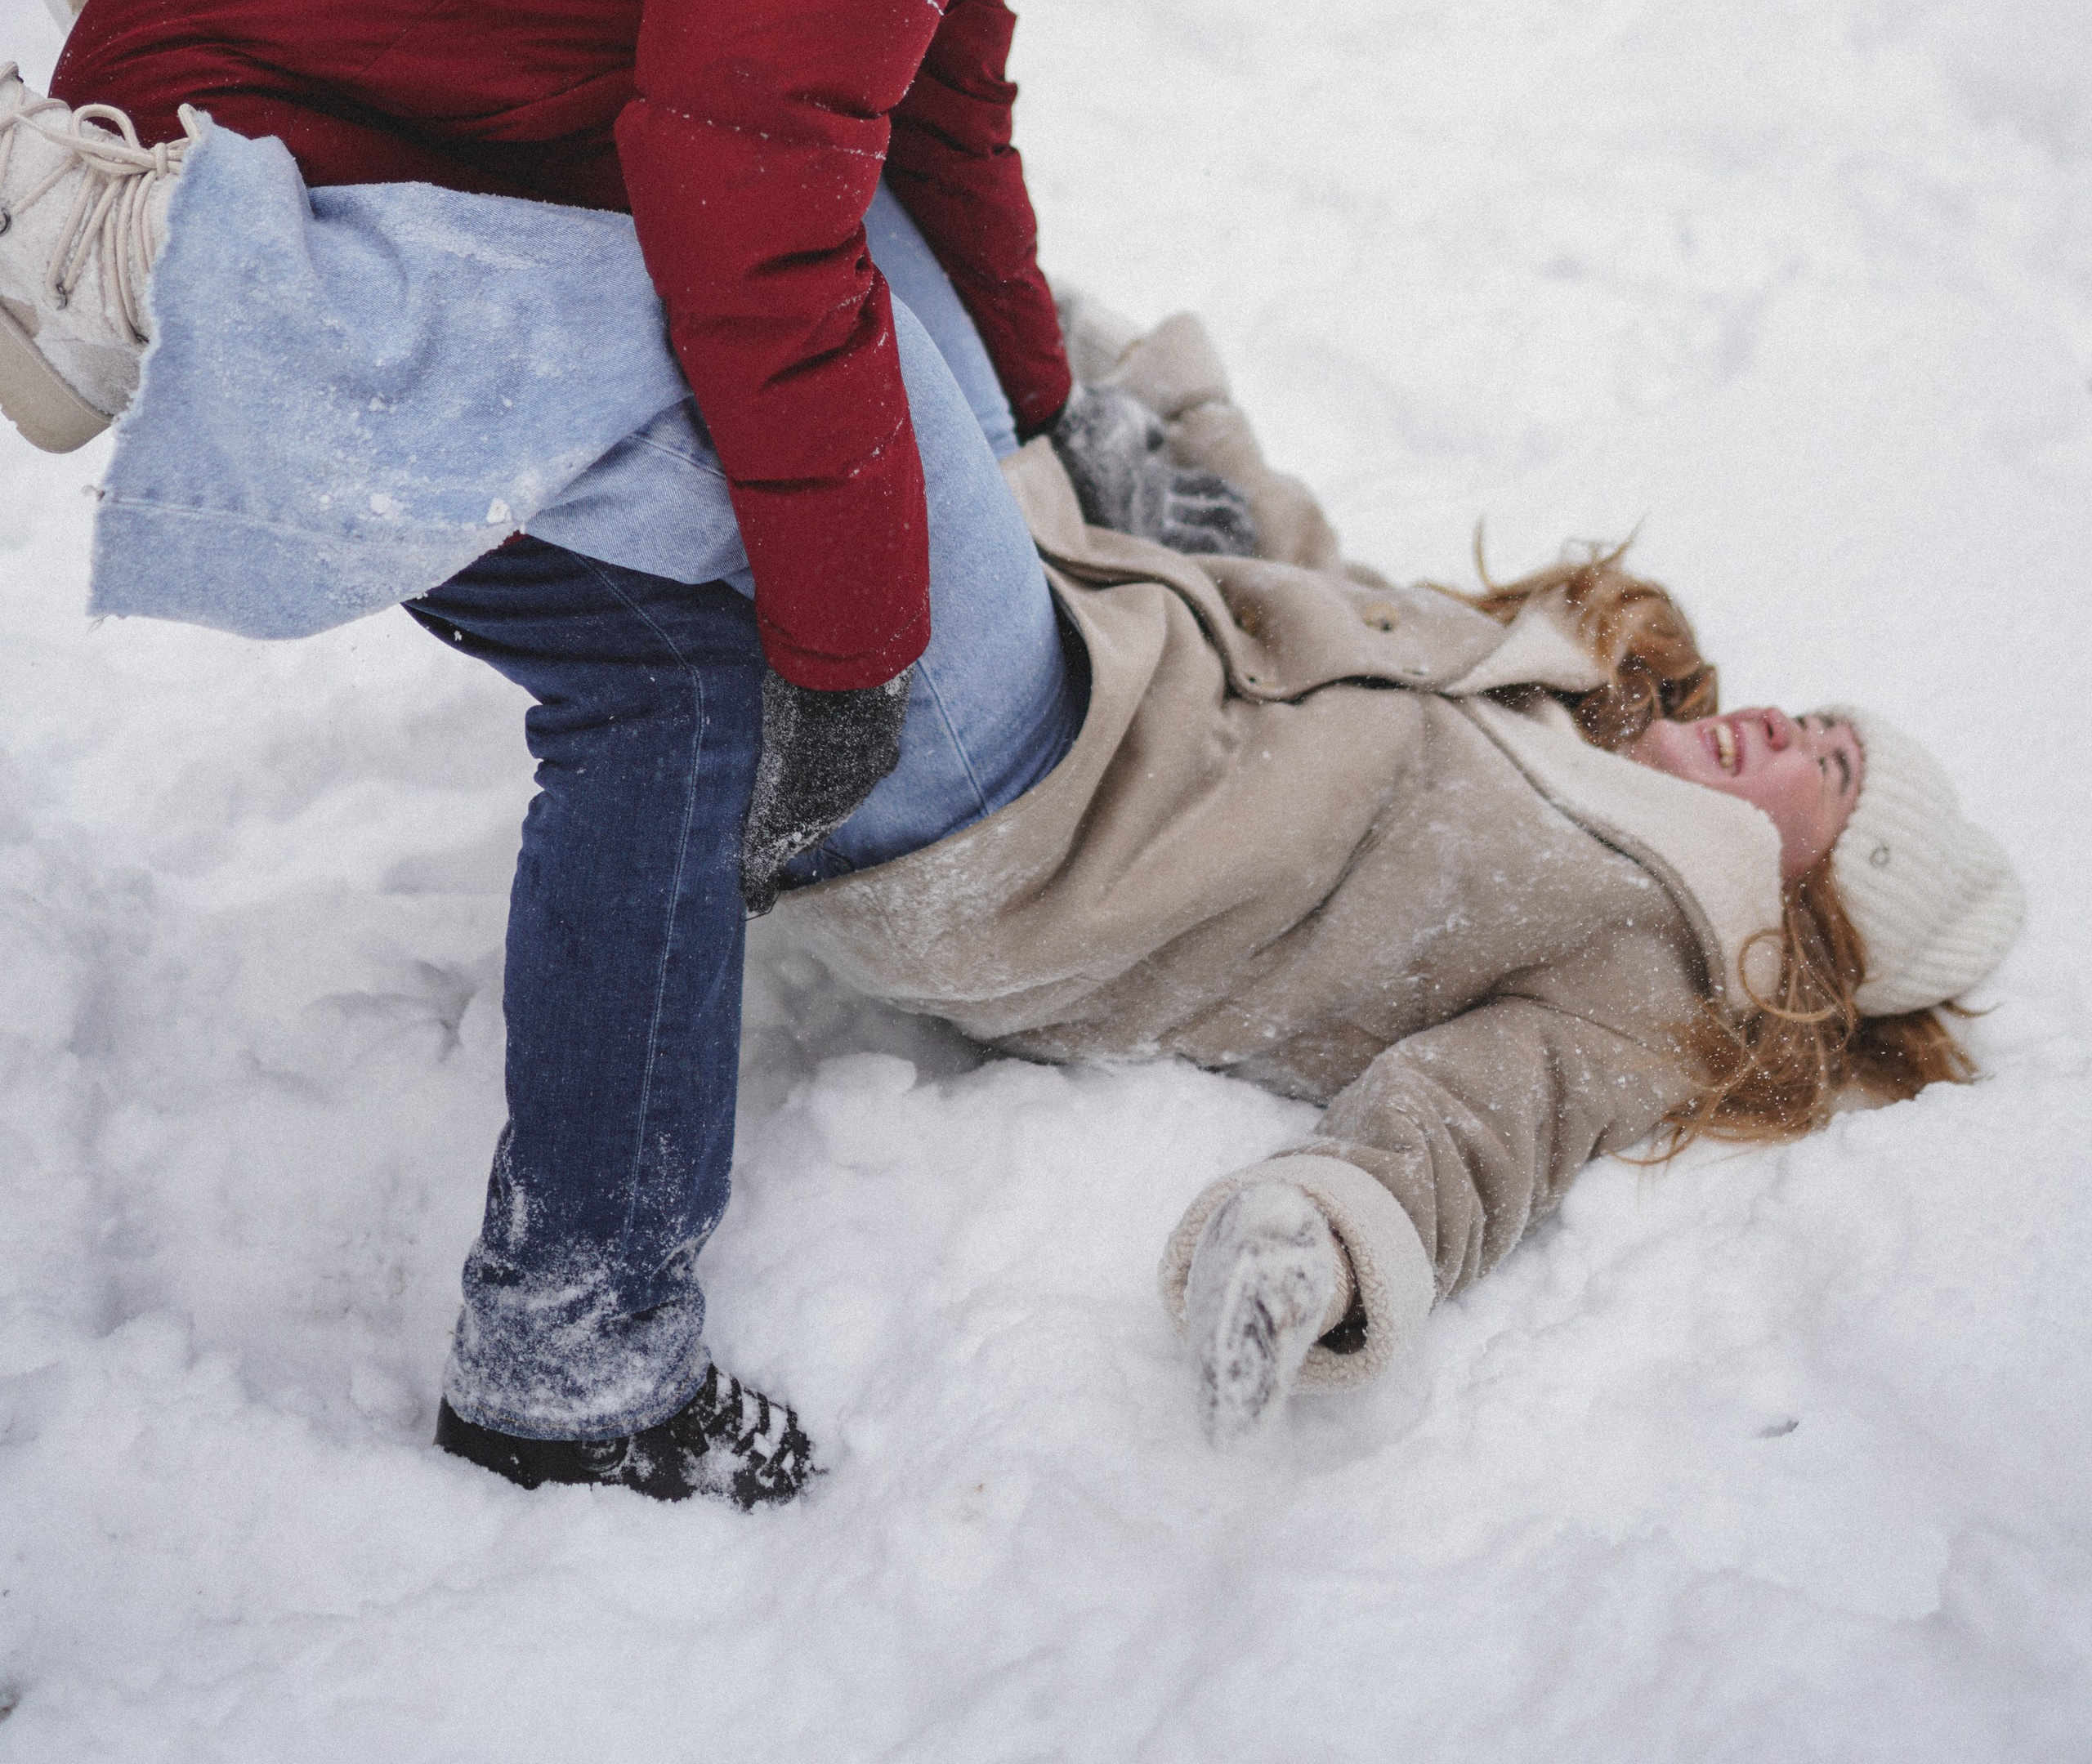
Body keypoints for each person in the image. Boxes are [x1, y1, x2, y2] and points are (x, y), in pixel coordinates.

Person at [0, 93, 2026, 1502]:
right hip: (1073, 623)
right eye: (1822, 721)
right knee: (845, 176)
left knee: (835, 333)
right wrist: (1151, 396)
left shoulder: (1645, 975)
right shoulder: (1557, 697)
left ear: (1820, 909)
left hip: (1026, 813)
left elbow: (1471, 1134)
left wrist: (1323, 1243)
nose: (1792, 729)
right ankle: (289, 136)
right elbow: (1304, 572)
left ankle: (165, 275)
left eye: (1832, 774)